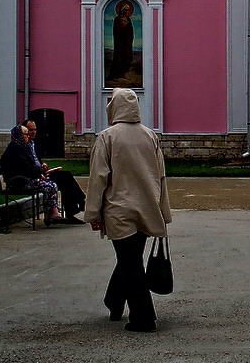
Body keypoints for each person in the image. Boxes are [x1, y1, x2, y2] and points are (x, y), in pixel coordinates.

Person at [85, 88, 171, 332]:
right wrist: (163, 211)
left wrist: (93, 213)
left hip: (118, 210)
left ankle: (143, 318)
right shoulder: (150, 136)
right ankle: (114, 301)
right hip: (147, 207)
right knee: (130, 259)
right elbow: (160, 176)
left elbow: (98, 178)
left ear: (114, 107)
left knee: (129, 262)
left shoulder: (107, 137)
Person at [24, 118, 85, 223]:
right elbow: (26, 165)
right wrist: (40, 170)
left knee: (66, 175)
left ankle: (75, 206)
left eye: (35, 129)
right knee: (64, 179)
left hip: (41, 173)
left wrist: (43, 165)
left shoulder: (34, 144)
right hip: (35, 176)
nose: (33, 132)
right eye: (30, 130)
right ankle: (78, 203)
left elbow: (36, 160)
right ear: (24, 131)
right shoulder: (24, 146)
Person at [0, 125, 62, 223]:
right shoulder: (15, 149)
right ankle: (52, 213)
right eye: (25, 134)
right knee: (50, 186)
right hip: (19, 182)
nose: (28, 136)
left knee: (52, 183)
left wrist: (41, 171)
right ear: (19, 135)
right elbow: (25, 168)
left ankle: (50, 214)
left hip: (25, 179)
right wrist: (40, 173)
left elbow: (30, 166)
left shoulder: (23, 147)